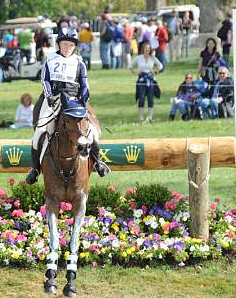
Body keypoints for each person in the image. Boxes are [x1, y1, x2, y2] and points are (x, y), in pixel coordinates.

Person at [25, 27, 110, 184]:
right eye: (64, 44)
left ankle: (98, 163)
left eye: (71, 45)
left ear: (75, 46)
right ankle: (35, 169)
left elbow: (85, 84)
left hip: (73, 100)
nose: (67, 48)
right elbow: (45, 80)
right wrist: (50, 96)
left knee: (91, 132)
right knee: (39, 132)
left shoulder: (79, 62)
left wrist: (83, 99)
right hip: (53, 99)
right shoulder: (50, 59)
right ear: (59, 44)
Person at [129, 43, 163, 123]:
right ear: (143, 49)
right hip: (141, 80)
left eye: (148, 48)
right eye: (145, 48)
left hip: (150, 79)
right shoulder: (139, 58)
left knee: (150, 98)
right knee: (141, 98)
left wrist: (155, 72)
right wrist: (136, 72)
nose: (147, 50)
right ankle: (141, 117)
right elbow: (130, 66)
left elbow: (160, 66)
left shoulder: (152, 58)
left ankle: (150, 117)